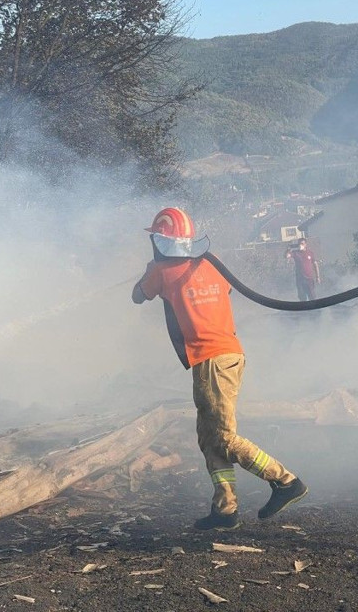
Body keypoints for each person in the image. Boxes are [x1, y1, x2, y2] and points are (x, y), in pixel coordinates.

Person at [132, 207, 308, 531]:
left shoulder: (160, 270)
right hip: (230, 355)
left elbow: (137, 296)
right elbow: (219, 293)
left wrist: (150, 273)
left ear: (159, 240)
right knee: (209, 437)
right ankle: (225, 508)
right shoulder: (210, 263)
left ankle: (285, 481)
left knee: (223, 437)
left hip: (211, 360)